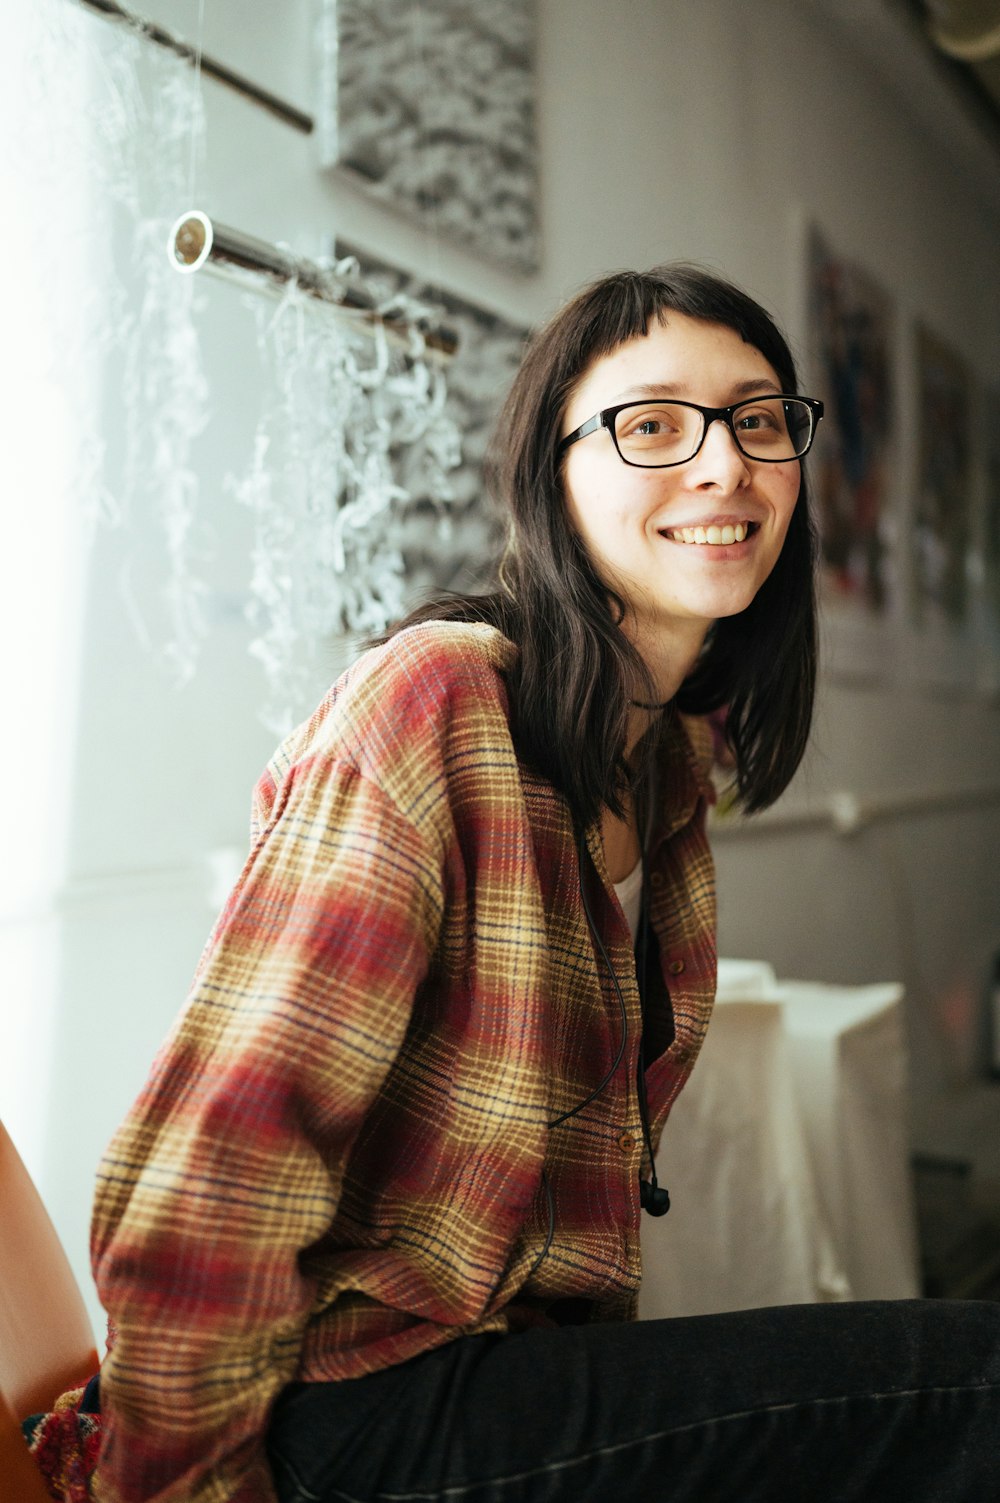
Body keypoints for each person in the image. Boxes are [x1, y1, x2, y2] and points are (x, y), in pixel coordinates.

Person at [89, 265, 1000, 1503]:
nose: (726, 464)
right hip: (345, 1413)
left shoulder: (671, 766)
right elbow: (221, 1169)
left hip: (500, 1377)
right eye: (653, 423)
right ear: (550, 476)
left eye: (760, 418)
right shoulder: (437, 699)